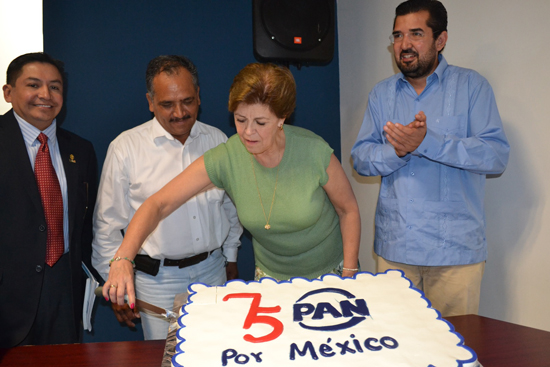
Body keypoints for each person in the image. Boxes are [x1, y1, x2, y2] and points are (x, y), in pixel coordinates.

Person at [102, 62, 361, 308]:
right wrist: (123, 257)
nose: (248, 132)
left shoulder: (314, 151)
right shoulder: (228, 157)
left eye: (260, 123)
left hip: (332, 274)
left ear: (282, 117)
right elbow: (159, 203)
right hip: (272, 281)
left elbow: (347, 210)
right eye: (240, 120)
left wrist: (349, 274)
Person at [351, 0, 510, 317]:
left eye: (415, 34)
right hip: (395, 253)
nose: (404, 45)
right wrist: (397, 149)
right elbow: (361, 159)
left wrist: (428, 142)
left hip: (456, 256)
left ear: (441, 40)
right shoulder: (381, 94)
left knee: (456, 353)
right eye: (397, 36)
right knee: (398, 350)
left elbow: (495, 155)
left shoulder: (472, 87)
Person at [92, 55, 242, 340]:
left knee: (218, 349)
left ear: (199, 96)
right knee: (166, 356)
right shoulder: (126, 148)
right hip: (156, 281)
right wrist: (116, 286)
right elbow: (107, 228)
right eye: (167, 104)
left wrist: (231, 255)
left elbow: (230, 207)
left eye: (187, 100)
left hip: (213, 271)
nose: (179, 113)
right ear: (150, 101)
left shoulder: (218, 141)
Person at [0, 52, 98, 347]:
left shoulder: (81, 149)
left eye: (55, 87)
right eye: (34, 85)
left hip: (64, 290)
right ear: (8, 92)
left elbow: (87, 223)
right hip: (8, 296)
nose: (46, 94)